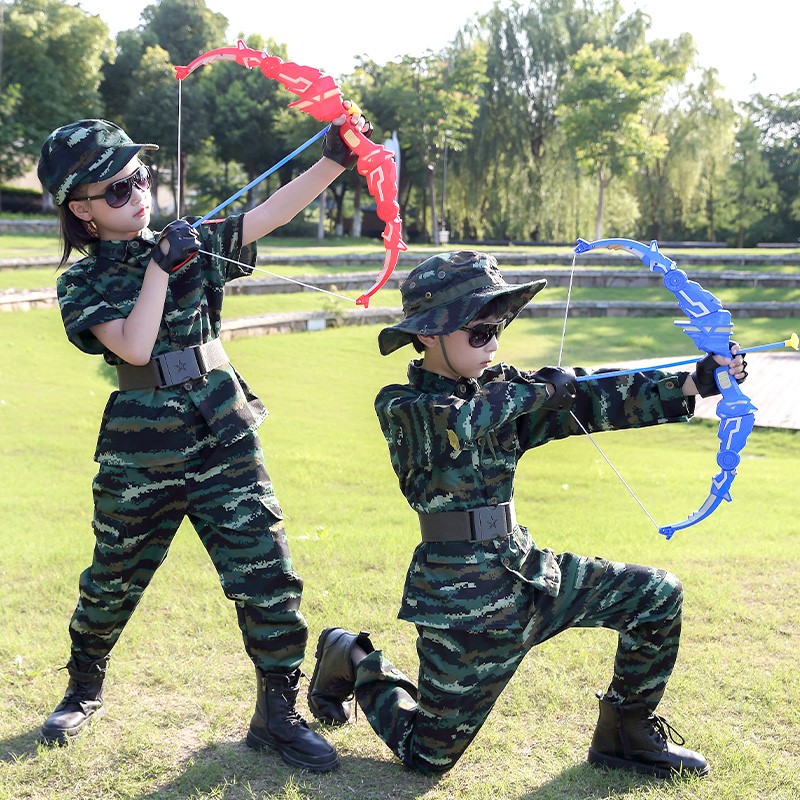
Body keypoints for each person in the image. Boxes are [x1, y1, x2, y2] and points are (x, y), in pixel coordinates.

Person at [306, 250, 748, 778]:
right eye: (478, 331)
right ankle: (353, 659)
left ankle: (626, 735)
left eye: (498, 327)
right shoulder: (403, 405)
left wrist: (690, 382)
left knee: (656, 595)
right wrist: (536, 391)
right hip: (462, 607)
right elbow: (462, 422)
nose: (493, 342)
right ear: (427, 335)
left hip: (530, 577)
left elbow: (588, 401)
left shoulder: (502, 390)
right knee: (427, 756)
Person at [36, 112, 371, 772]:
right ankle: (83, 687)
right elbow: (133, 344)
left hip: (224, 431)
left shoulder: (193, 242)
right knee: (113, 580)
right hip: (142, 452)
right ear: (81, 211)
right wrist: (161, 268)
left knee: (267, 575)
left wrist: (335, 160)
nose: (137, 195)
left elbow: (266, 212)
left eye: (140, 179)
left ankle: (275, 716)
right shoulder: (82, 281)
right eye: (116, 191)